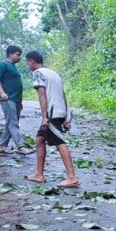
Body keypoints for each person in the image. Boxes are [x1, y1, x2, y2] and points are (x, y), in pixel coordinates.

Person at [24, 51, 80, 188]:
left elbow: (42, 96)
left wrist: (45, 117)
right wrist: (65, 116)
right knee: (39, 140)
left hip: (51, 113)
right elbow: (63, 94)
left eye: (27, 63)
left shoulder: (38, 73)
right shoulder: (54, 74)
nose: (28, 66)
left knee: (60, 142)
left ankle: (72, 177)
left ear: (32, 61)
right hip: (59, 111)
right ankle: (39, 174)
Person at [0, 45, 32, 154]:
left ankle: (2, 146)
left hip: (16, 100)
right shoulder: (2, 65)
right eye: (18, 55)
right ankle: (21, 146)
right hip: (8, 99)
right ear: (10, 54)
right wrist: (2, 93)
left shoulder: (13, 66)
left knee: (10, 123)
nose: (19, 57)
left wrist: (20, 102)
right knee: (13, 123)